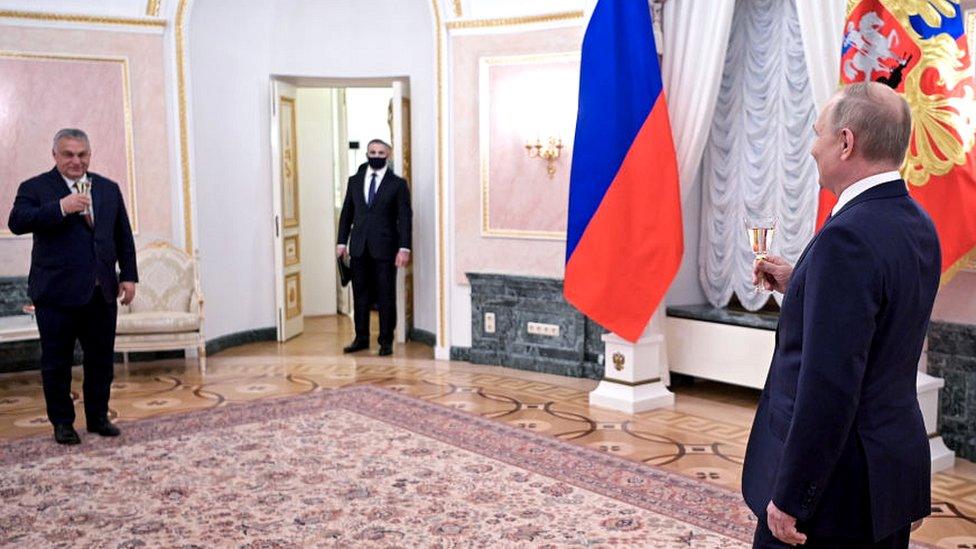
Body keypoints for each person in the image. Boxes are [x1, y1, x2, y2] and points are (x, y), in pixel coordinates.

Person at [742, 82, 940, 548]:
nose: (812, 147)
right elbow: (882, 316)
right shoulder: (917, 223)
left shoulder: (846, 237)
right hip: (888, 471)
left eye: (818, 134)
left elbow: (829, 385)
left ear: (846, 142)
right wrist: (804, 282)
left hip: (833, 489)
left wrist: (793, 495)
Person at [8, 128, 138, 445]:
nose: (76, 161)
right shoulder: (36, 187)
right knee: (57, 363)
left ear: (89, 155)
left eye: (82, 154)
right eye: (68, 154)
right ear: (55, 155)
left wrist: (129, 275)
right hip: (55, 294)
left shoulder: (108, 188)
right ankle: (62, 424)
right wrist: (61, 208)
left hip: (101, 292)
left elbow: (123, 235)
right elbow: (17, 222)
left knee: (101, 360)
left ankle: (97, 417)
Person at [336, 139, 412, 356]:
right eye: (372, 152)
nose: (376, 155)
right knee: (360, 294)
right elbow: (346, 215)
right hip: (359, 248)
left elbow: (405, 218)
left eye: (380, 153)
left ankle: (386, 340)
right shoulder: (354, 181)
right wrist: (341, 243)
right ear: (367, 154)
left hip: (386, 249)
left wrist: (404, 248)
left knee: (385, 294)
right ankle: (361, 338)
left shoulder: (397, 184)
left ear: (387, 156)